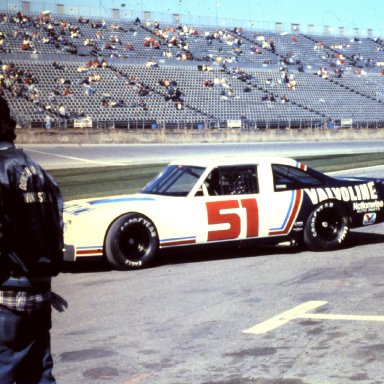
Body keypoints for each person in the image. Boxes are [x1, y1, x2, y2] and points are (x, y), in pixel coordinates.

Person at [0, 96, 66, 383]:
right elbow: (57, 228)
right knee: (39, 372)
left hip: (7, 293)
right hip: (39, 291)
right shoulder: (39, 170)